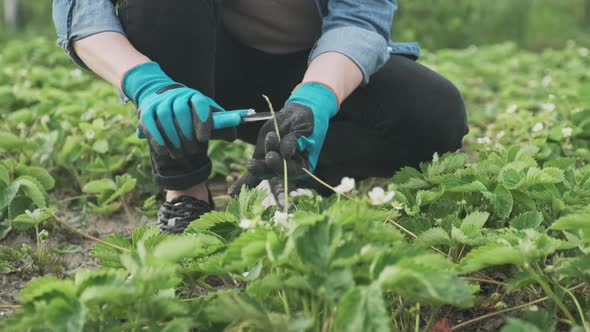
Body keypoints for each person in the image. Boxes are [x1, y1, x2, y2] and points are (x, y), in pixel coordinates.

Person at [52, 0, 469, 233]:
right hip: (199, 62)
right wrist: (145, 83)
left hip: (312, 60)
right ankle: (186, 195)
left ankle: (292, 168)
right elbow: (81, 8)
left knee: (433, 114)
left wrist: (318, 96)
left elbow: (359, 18)